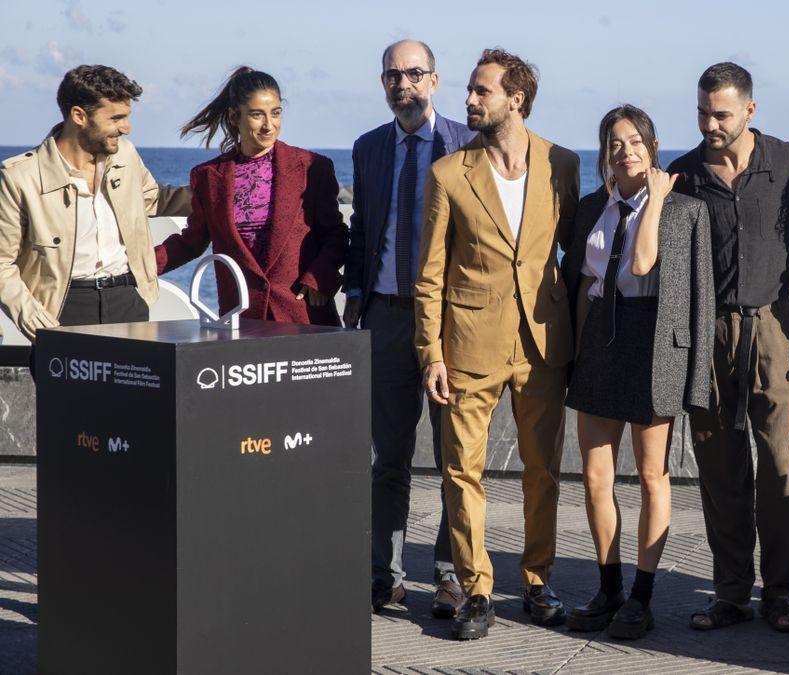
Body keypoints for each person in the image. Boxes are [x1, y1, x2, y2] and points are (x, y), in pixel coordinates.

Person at [414, 48, 579, 640]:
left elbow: (573, 253)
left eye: (481, 91)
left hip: (540, 343)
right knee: (463, 471)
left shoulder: (562, 163)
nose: (468, 100)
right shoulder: (448, 174)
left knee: (543, 473)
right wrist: (430, 353)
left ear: (517, 98)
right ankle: (477, 590)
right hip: (466, 345)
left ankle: (537, 581)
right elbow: (428, 273)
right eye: (470, 90)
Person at [666, 62, 789, 632]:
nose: (710, 123)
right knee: (719, 467)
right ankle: (730, 593)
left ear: (750, 111)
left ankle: (780, 594)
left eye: (722, 113)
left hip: (773, 329)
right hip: (706, 335)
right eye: (703, 112)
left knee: (780, 466)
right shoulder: (680, 175)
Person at [560, 105, 714, 639]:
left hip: (654, 344)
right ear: (604, 152)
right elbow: (582, 283)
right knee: (596, 476)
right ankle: (609, 589)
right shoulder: (589, 209)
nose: (625, 151)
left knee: (652, 476)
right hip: (601, 341)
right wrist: (577, 357)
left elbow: (664, 276)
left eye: (635, 142)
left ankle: (642, 598)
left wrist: (656, 200)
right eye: (614, 143)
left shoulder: (685, 211)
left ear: (652, 147)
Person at [342, 40, 474, 618]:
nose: (405, 84)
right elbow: (365, 226)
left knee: (455, 457)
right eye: (394, 75)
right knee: (386, 458)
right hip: (388, 316)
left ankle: (450, 574)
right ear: (383, 83)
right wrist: (353, 293)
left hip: (453, 321)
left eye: (415, 74)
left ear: (436, 81)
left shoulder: (470, 144)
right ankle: (384, 574)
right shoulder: (369, 147)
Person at [156, 67, 346, 326]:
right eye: (257, 115)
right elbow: (192, 242)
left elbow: (335, 233)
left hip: (304, 315)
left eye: (276, 113)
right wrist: (136, 267)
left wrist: (319, 278)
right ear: (235, 116)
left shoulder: (311, 167)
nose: (269, 125)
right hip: (240, 320)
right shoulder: (208, 176)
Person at [0, 65, 162, 341]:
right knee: (68, 387)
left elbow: (154, 200)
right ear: (79, 116)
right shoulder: (19, 177)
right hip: (63, 309)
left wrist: (220, 191)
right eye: (116, 118)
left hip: (127, 301)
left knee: (134, 385)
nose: (126, 128)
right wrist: (39, 323)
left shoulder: (126, 156)